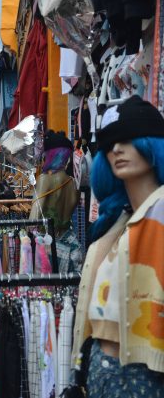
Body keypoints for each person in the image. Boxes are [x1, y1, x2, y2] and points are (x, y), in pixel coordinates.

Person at [71, 96, 164, 397]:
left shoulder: (160, 212)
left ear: (153, 144)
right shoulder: (117, 223)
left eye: (129, 139)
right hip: (100, 369)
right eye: (109, 144)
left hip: (144, 375)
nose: (117, 150)